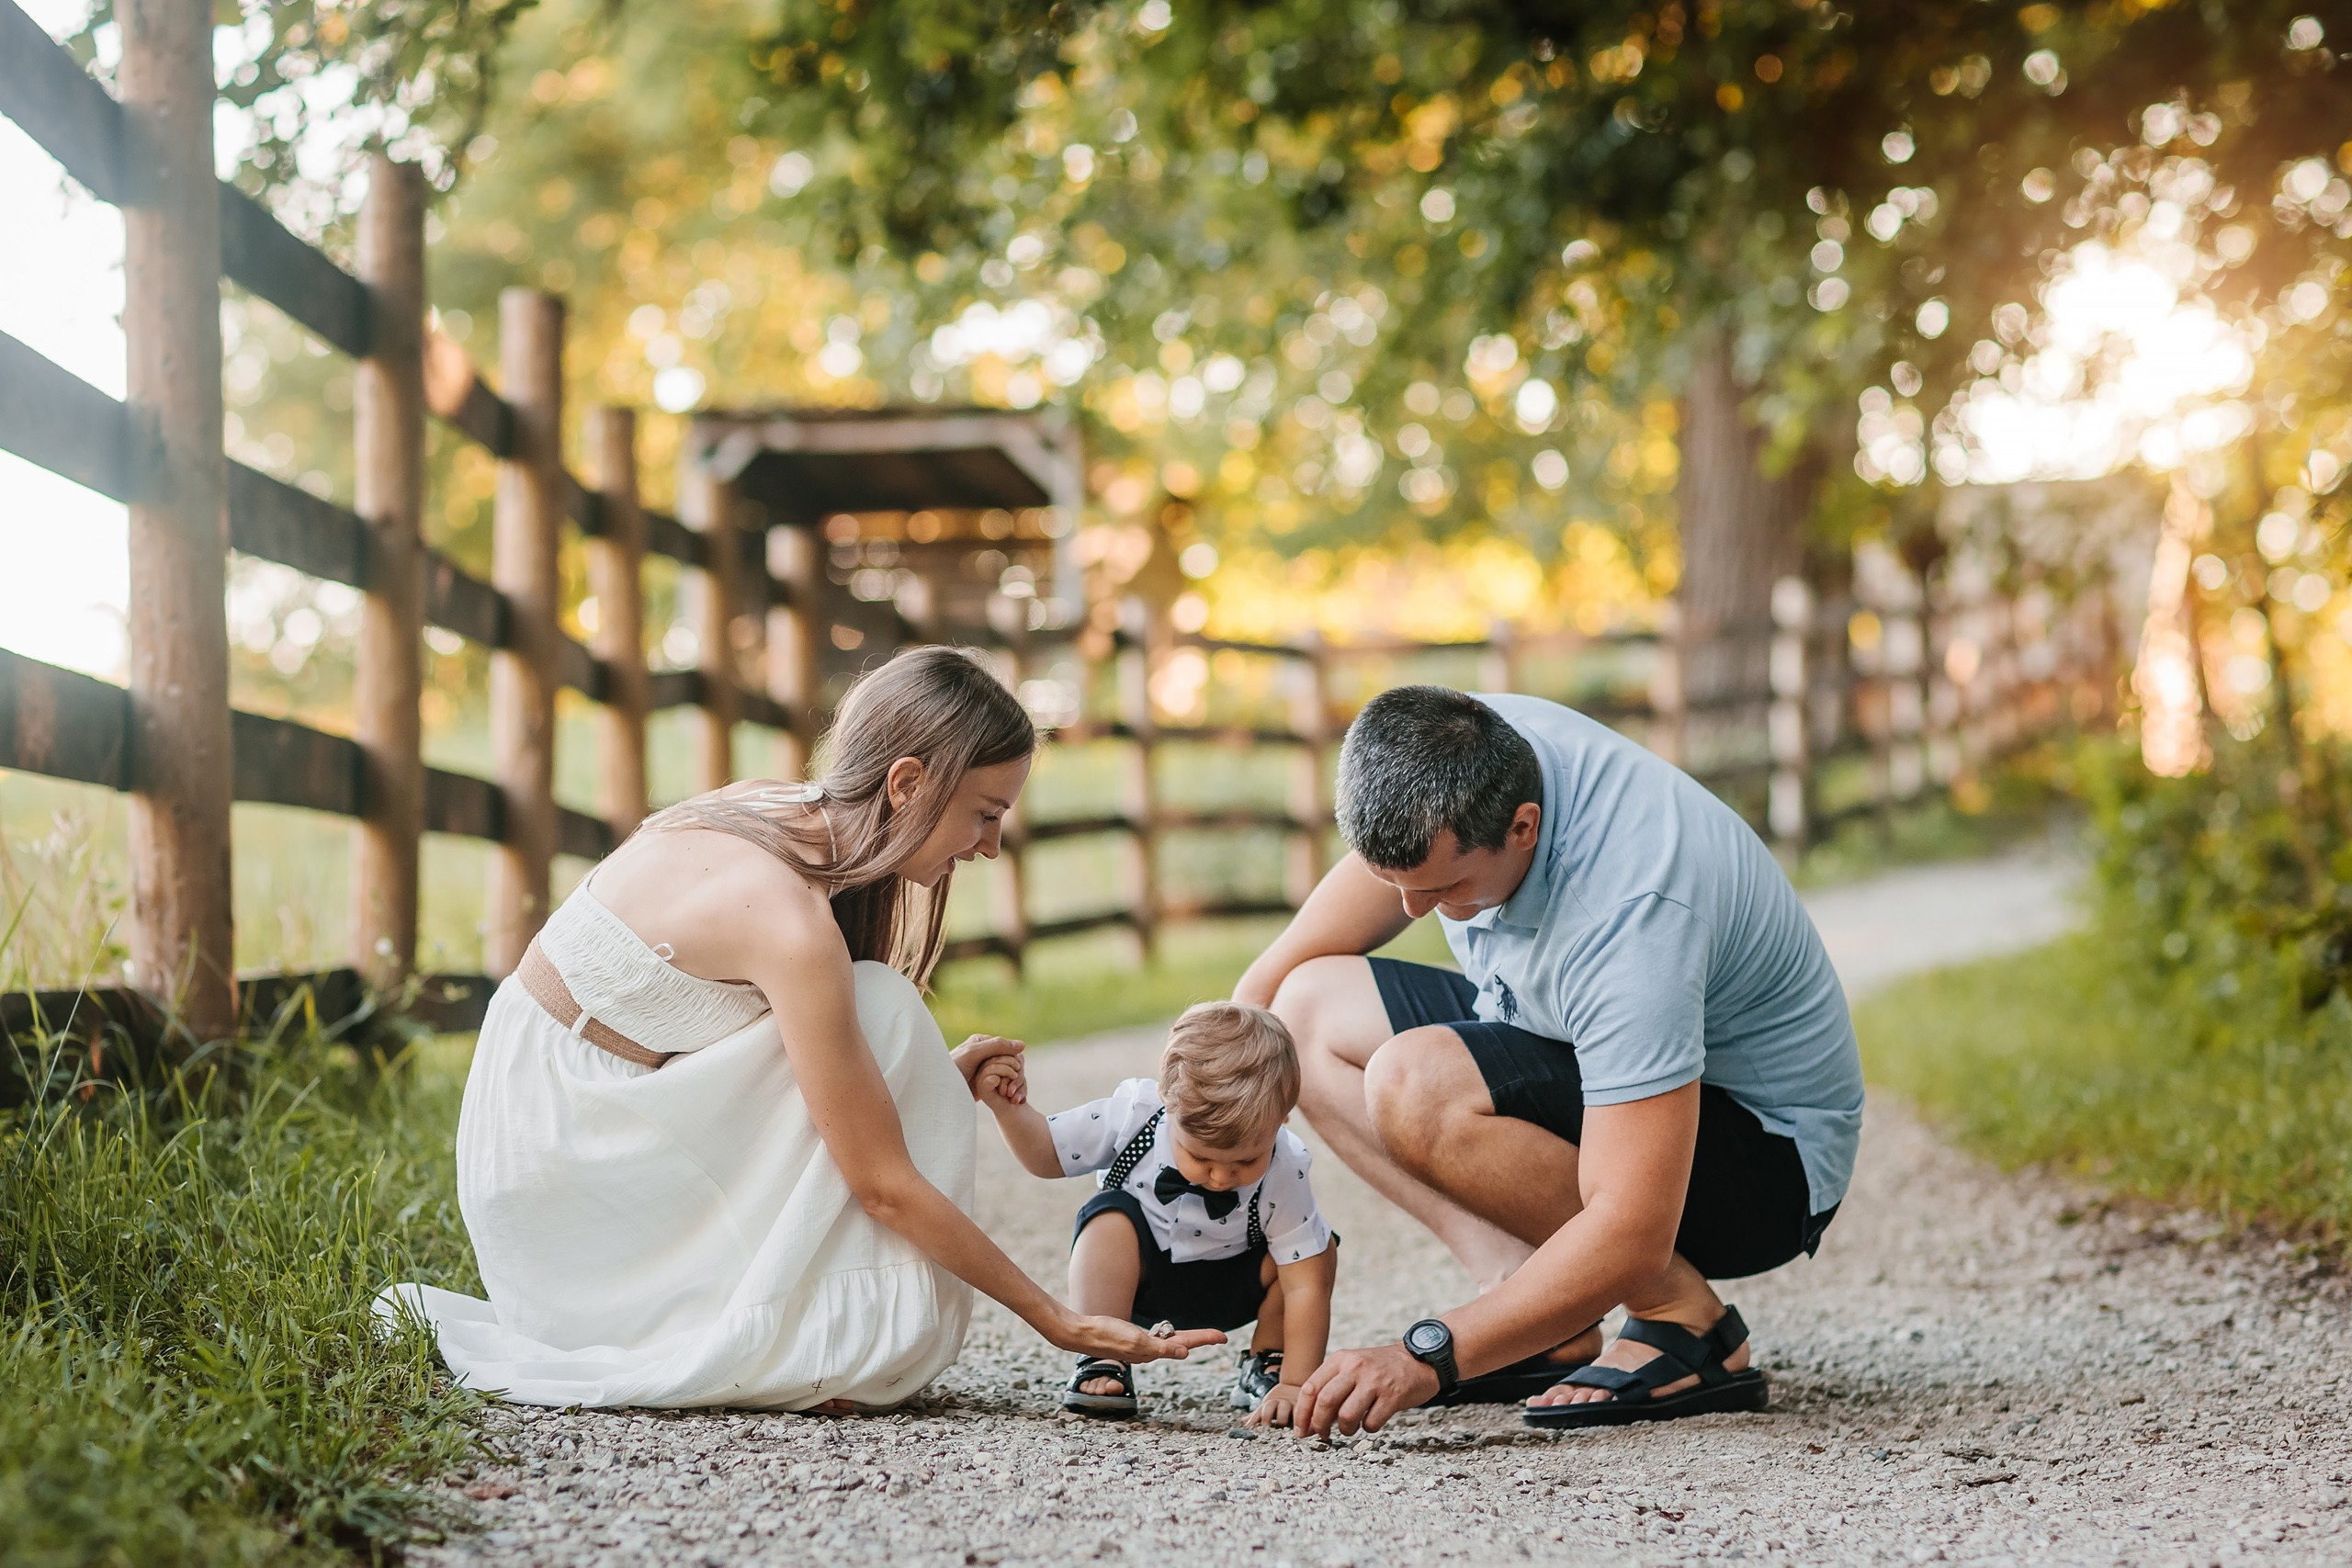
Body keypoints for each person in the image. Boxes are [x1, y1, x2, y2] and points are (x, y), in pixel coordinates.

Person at [379, 647, 1221, 1411]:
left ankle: (792, 1319)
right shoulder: (788, 920)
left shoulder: (783, 815)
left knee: (886, 1017)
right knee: (885, 1010)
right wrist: (1060, 1320)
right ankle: (781, 1332)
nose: (992, 846)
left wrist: (925, 1074)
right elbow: (881, 1183)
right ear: (907, 783)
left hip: (567, 1114)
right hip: (557, 1164)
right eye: (984, 813)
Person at [1233, 685, 1864, 1435]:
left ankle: (1683, 1321)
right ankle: (1535, 1311)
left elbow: (1633, 1226)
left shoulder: (1632, 913)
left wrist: (1427, 1355)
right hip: (1577, 1037)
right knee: (1299, 1013)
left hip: (1763, 1163)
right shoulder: (1469, 741)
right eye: (1398, 882)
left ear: (1523, 826)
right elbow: (1394, 879)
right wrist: (1234, 1029)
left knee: (1417, 1083)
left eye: (1444, 887)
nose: (1412, 910)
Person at [974, 1001, 1338, 1425]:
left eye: (1245, 1162)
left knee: (1317, 1250)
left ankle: (1271, 1363)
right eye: (1200, 1157)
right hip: (1140, 1282)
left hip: (1233, 1286)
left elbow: (1305, 1287)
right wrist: (1008, 1108)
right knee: (1108, 1217)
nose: (1221, 1178)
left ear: (1283, 1118)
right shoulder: (1135, 1116)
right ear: (1168, 1102)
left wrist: (1298, 1384)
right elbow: (1047, 1153)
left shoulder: (1286, 1165)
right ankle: (1102, 1356)